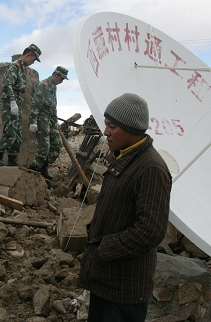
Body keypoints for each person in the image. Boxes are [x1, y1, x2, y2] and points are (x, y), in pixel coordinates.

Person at [78, 93, 172, 322]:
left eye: (112, 126)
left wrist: (104, 248)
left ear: (132, 129)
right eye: (106, 124)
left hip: (124, 286)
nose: (106, 132)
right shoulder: (125, 157)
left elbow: (151, 230)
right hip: (106, 279)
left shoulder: (151, 168)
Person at [0, 44, 42, 167]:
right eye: (34, 59)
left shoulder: (23, 68)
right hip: (10, 100)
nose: (33, 62)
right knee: (10, 130)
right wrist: (12, 101)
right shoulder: (15, 66)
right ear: (29, 54)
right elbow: (7, 85)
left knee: (18, 132)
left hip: (17, 100)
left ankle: (12, 159)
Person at [27, 66, 69, 180]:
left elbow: (54, 107)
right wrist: (33, 122)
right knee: (44, 147)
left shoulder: (54, 87)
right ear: (56, 75)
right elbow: (36, 105)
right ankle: (33, 170)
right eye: (61, 79)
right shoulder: (43, 85)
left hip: (51, 120)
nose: (61, 82)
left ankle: (43, 167)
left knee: (57, 145)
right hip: (42, 120)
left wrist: (55, 122)